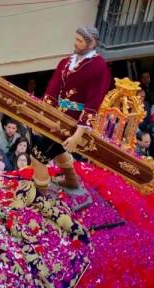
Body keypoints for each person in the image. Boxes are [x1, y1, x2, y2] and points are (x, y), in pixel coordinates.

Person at [35, 26, 111, 191]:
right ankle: (71, 180)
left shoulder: (99, 68)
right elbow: (52, 90)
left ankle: (40, 194)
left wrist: (78, 134)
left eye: (80, 41)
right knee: (54, 150)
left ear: (92, 44)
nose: (75, 43)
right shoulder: (66, 62)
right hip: (56, 119)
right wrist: (42, 117)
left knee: (37, 155)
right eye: (75, 39)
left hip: (73, 124)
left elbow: (93, 103)